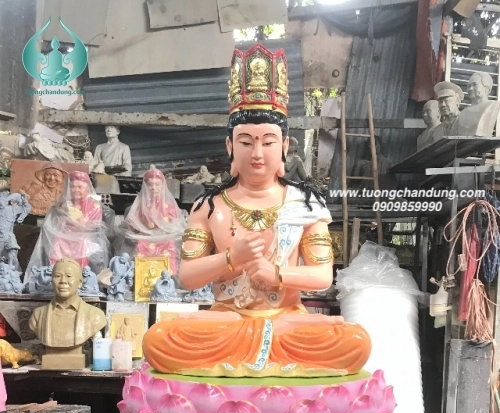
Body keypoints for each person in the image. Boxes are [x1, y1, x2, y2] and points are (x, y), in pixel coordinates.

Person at [143, 43, 371, 378]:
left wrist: (275, 274)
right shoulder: (209, 206)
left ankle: (251, 359)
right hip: (227, 321)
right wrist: (230, 258)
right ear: (230, 146)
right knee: (158, 339)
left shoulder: (305, 204)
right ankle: (265, 361)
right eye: (247, 142)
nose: (257, 153)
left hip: (285, 322)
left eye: (268, 141)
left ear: (285, 146)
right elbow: (187, 277)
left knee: (355, 342)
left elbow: (322, 277)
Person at [24, 171, 110, 287]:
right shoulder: (62, 206)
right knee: (56, 244)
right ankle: (55, 278)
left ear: (87, 190)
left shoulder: (94, 206)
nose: (76, 190)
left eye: (79, 187)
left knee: (83, 246)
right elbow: (52, 225)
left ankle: (80, 280)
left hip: (83, 239)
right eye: (73, 187)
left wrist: (80, 223)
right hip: (63, 239)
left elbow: (93, 227)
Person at [119, 166, 185, 274]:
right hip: (144, 241)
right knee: (138, 248)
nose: (154, 188)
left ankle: (169, 278)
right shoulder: (139, 208)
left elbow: (176, 227)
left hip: (164, 241)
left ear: (162, 186)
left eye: (157, 184)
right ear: (145, 186)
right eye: (150, 184)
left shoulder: (170, 208)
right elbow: (131, 226)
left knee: (172, 247)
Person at [29, 258, 106, 351]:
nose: (63, 281)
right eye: (57, 276)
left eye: (69, 276)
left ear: (80, 283)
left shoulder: (95, 315)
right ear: (52, 281)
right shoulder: (38, 315)